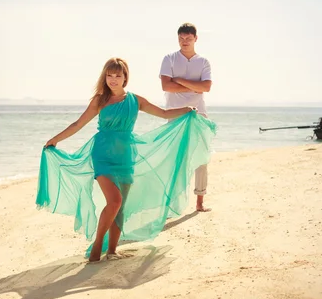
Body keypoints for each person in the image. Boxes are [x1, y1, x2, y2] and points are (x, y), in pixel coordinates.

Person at [37, 57, 216, 262]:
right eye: (109, 75)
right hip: (103, 155)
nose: (113, 80)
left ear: (125, 78)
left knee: (120, 206)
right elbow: (78, 124)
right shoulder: (100, 100)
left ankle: (112, 251)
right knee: (115, 201)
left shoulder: (135, 100)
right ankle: (97, 247)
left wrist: (186, 110)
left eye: (117, 76)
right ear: (105, 77)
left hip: (126, 156)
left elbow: (163, 112)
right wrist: (55, 140)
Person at [159, 22, 213, 212]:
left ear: (195, 39)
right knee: (175, 161)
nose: (184, 42)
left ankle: (199, 203)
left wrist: (180, 80)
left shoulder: (203, 62)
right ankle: (170, 203)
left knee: (201, 159)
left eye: (188, 39)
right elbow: (166, 86)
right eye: (181, 38)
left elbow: (206, 87)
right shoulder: (170, 59)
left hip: (199, 114)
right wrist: (194, 85)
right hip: (175, 115)